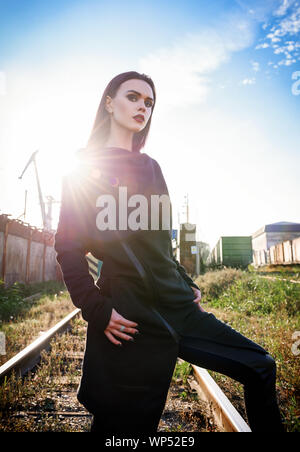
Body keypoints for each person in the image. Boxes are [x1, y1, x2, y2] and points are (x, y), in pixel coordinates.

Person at [54, 71, 284, 433]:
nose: (142, 107)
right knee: (125, 429)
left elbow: (160, 242)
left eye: (149, 103)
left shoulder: (151, 168)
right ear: (109, 104)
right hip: (131, 316)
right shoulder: (83, 171)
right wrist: (96, 309)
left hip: (178, 307)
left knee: (261, 366)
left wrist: (183, 278)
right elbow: (68, 248)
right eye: (133, 97)